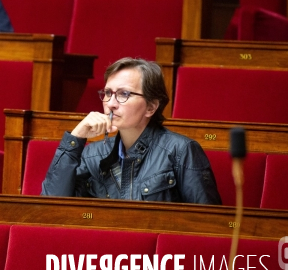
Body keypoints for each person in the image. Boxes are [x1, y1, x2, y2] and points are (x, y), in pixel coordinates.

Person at [41, 57, 221, 205]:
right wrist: (75, 139)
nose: (111, 103)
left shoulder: (181, 151)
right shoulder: (92, 154)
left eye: (123, 94)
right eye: (108, 93)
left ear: (151, 107)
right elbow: (50, 207)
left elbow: (207, 225)